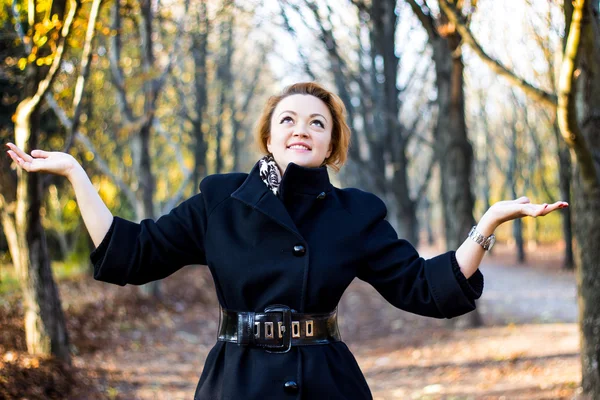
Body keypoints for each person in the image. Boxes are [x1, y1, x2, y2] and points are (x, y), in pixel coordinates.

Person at [5, 82, 567, 399]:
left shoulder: (356, 214)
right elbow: (133, 252)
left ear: (332, 147)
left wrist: (485, 225)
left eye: (318, 123)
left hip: (327, 385)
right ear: (270, 137)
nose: (303, 127)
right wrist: (78, 175)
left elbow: (424, 287)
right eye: (290, 119)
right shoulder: (220, 200)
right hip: (236, 382)